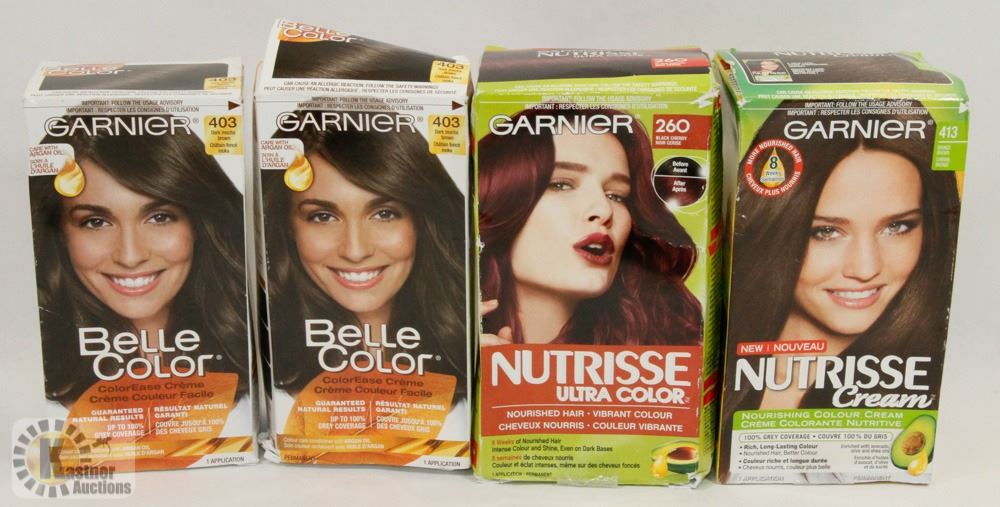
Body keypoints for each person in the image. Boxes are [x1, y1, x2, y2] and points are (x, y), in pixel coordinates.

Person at [723, 99, 960, 413]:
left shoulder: (921, 392)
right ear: (774, 229)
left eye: (896, 227)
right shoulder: (710, 365)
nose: (865, 269)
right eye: (826, 232)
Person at [30, 114, 250, 406]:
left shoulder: (260, 366)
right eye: (96, 222)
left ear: (199, 224)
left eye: (159, 217)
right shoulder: (35, 389)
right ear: (59, 233)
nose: (130, 256)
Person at [262, 111, 467, 398]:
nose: (355, 251)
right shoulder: (260, 372)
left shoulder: (471, 352)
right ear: (287, 226)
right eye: (323, 216)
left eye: (384, 214)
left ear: (421, 222)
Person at [478, 106, 703, 347]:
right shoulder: (457, 345)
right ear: (498, 198)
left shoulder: (669, 354)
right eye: (561, 184)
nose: (604, 210)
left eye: (617, 196)